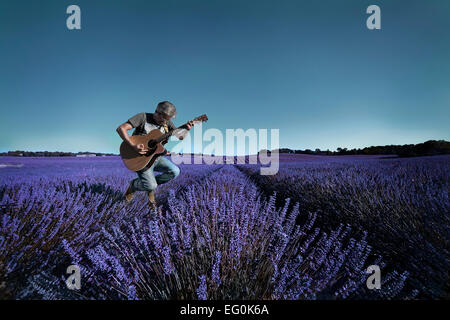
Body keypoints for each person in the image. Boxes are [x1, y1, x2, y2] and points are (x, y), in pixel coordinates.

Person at [116, 101, 193, 209]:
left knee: (175, 172)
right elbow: (121, 128)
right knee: (151, 185)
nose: (167, 121)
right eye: (165, 118)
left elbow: (180, 137)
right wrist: (132, 145)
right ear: (158, 113)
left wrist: (186, 130)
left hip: (156, 157)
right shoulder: (143, 117)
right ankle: (135, 185)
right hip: (139, 158)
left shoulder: (167, 124)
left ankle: (148, 185)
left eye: (168, 119)